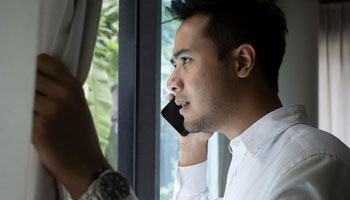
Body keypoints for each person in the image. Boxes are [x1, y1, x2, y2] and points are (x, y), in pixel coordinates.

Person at [32, 0, 350, 199]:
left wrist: (94, 178)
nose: (172, 82)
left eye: (186, 60)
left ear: (242, 62)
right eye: (174, 65)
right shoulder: (248, 156)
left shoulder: (312, 162)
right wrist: (193, 149)